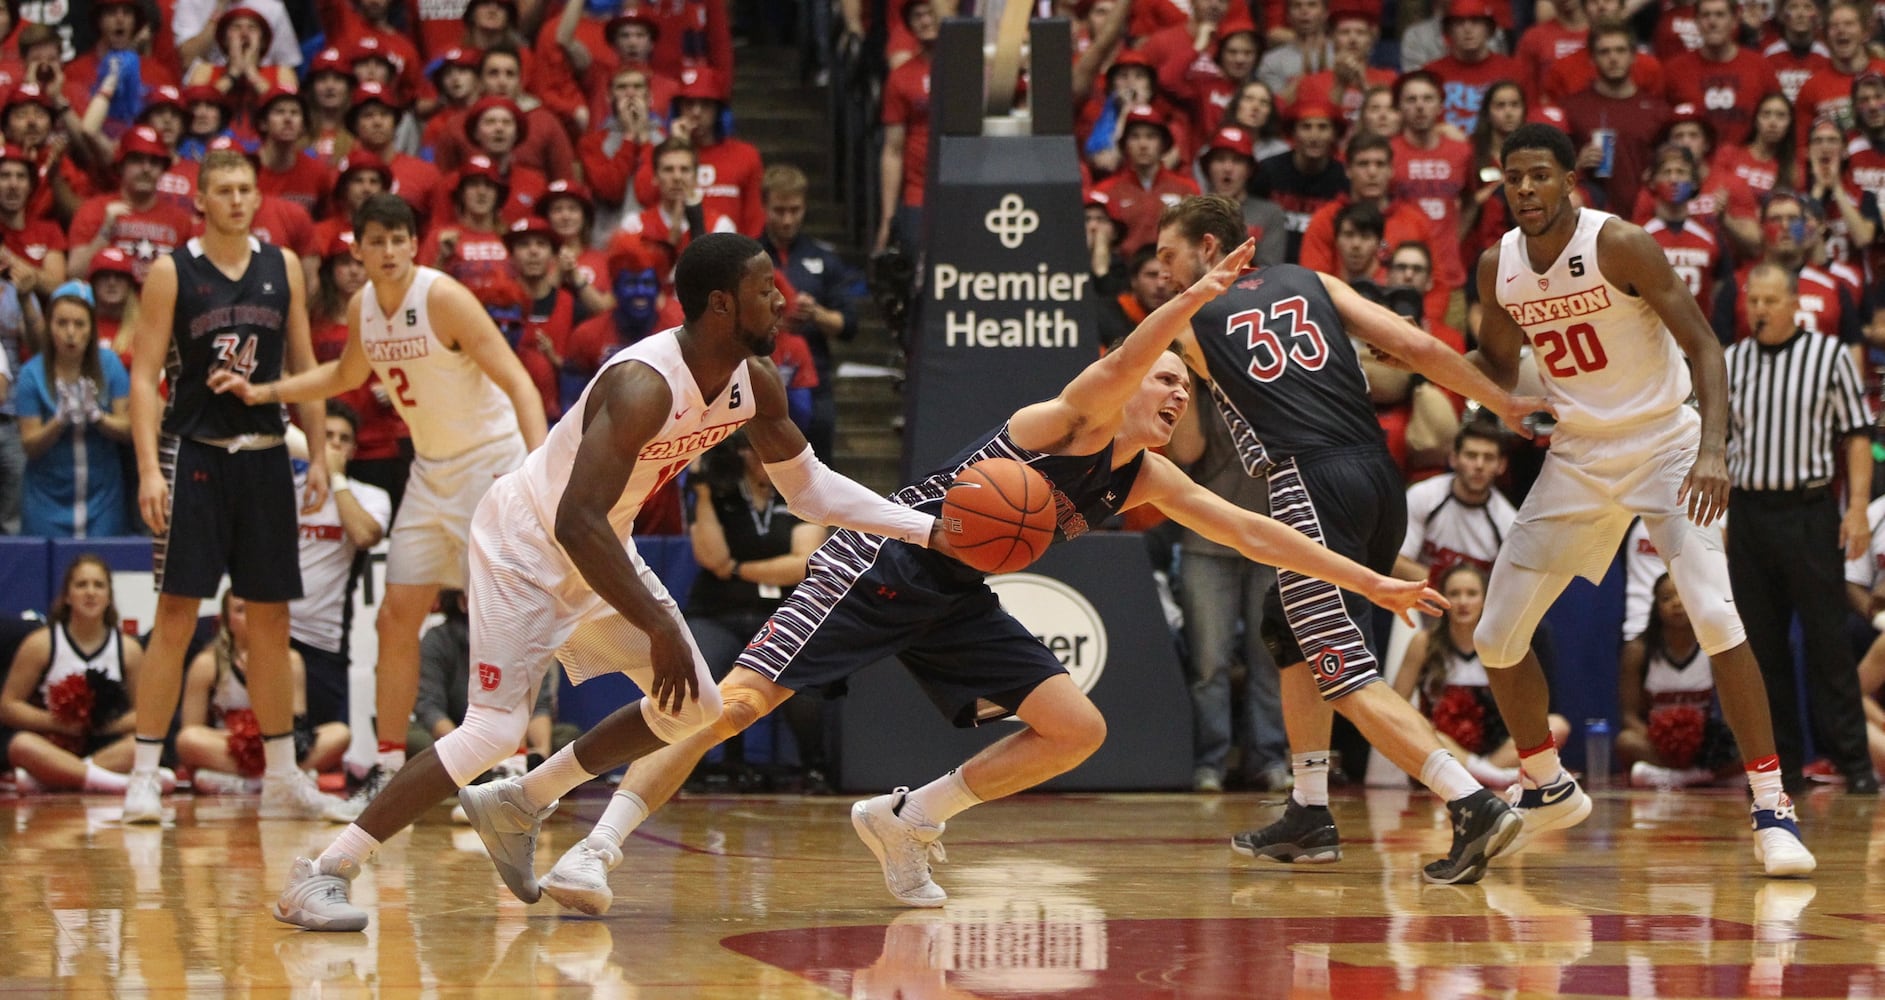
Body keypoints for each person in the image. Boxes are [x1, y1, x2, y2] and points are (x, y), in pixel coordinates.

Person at [532, 236, 1454, 916]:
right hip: (880, 559)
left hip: (954, 595)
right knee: (732, 706)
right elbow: (1131, 357)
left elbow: (1256, 531)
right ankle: (598, 849)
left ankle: (907, 817)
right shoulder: (1063, 417)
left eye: (1187, 389)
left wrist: (1370, 586)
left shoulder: (1145, 475)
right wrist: (1190, 300)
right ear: (1124, 380)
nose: (1177, 395)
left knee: (1074, 728)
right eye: (1166, 382)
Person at [270, 232, 953, 932]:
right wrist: (657, 624)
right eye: (763, 289)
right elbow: (573, 518)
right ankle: (322, 873)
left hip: (600, 543)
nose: (780, 299)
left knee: (693, 707)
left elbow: (807, 489)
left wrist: (924, 528)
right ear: (721, 304)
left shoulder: (753, 382)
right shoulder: (642, 384)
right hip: (525, 542)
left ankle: (523, 799)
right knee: (491, 731)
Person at [1152, 195, 1546, 885]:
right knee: (1287, 630)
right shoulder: (1312, 282)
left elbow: (1183, 415)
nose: (1158, 272)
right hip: (1376, 476)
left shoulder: (1187, 321)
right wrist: (1504, 401)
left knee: (1340, 664)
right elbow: (1415, 346)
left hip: (1306, 485)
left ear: (1210, 249)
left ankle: (1471, 801)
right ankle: (1308, 809)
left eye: (1167, 255)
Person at [1465, 122, 1816, 876]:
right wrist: (1402, 349)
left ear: (1567, 181)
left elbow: (1703, 345)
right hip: (1579, 456)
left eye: (1536, 176)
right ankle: (1545, 782)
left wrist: (1716, 447)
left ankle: (1771, 805)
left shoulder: (1618, 242)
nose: (1523, 190)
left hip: (1666, 444)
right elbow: (1492, 361)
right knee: (1494, 636)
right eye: (1511, 178)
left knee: (1717, 615)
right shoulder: (1497, 266)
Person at [207, 192, 548, 815]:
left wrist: (540, 472)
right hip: (431, 471)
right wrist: (264, 393)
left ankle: (513, 777)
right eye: (376, 241)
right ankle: (389, 767)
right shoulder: (365, 306)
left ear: (413, 244)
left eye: (399, 239)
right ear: (356, 249)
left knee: (498, 620)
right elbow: (343, 376)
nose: (389, 251)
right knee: (395, 616)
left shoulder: (442, 297)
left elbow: (519, 381)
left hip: (493, 465)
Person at [122, 147, 338, 824]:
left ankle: (280, 774)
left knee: (271, 621)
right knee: (177, 616)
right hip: (196, 455)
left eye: (247, 188)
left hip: (269, 456)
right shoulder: (171, 271)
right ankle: (143, 776)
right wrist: (148, 468)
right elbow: (142, 375)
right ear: (202, 201)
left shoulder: (282, 269)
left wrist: (323, 455)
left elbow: (305, 364)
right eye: (225, 190)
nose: (239, 199)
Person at [1725, 263, 1877, 794]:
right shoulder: (1730, 361)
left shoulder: (1829, 356)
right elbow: (1716, 447)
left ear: (1794, 304)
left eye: (1771, 300)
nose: (1760, 310)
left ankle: (1854, 767)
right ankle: (1778, 771)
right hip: (1748, 515)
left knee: (1828, 644)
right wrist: (1720, 518)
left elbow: (1857, 435)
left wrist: (1857, 508)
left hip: (1809, 513)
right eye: (1754, 301)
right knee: (1761, 648)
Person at [681, 431, 827, 788]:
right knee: (699, 670)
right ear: (744, 455)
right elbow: (711, 558)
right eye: (756, 453)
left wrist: (737, 569)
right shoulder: (717, 490)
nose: (764, 462)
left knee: (802, 680)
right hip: (718, 611)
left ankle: (812, 766)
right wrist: (701, 492)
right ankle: (689, 765)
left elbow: (804, 563)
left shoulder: (804, 492)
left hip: (784, 611)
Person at [1394, 563, 1571, 788]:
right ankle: (1490, 777)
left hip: (1499, 752)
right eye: (1454, 594)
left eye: (1471, 594)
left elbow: (1527, 705)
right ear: (1441, 598)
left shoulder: (1502, 643)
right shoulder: (1424, 643)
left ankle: (1483, 775)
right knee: (1418, 728)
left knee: (1557, 724)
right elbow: (1396, 705)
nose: (1463, 602)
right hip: (1442, 753)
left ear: (1486, 600)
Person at [1, 555, 157, 793]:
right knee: (21, 745)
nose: (90, 592)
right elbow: (8, 706)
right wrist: (59, 723)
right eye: (81, 585)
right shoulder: (40, 644)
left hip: (106, 745)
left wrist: (102, 726)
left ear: (109, 597)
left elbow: (147, 713)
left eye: (98, 585)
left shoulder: (129, 650)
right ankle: (111, 782)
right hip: (53, 743)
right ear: (67, 596)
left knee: (141, 746)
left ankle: (52, 778)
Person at [177, 590, 352, 793]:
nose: (251, 617)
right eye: (241, 610)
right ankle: (279, 779)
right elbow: (191, 727)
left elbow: (299, 726)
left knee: (340, 733)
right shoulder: (207, 664)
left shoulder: (290, 659)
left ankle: (249, 781)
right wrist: (242, 737)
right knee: (187, 740)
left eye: (255, 609)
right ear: (226, 620)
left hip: (279, 743)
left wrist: (265, 738)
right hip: (229, 746)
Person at [289, 402, 392, 730]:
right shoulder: (285, 489)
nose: (334, 443)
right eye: (326, 436)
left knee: (325, 738)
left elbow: (364, 535)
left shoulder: (372, 497)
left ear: (352, 449)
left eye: (343, 439)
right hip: (274, 631)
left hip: (324, 638)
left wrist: (334, 476)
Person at [16, 282, 133, 539]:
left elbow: (129, 430)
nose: (71, 333)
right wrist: (59, 420)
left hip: (103, 499)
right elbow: (29, 444)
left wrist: (98, 417)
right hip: (45, 500)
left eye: (79, 324)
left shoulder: (111, 365)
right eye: (62, 323)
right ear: (49, 326)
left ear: (91, 329)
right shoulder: (31, 374)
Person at [1619, 573, 1740, 789]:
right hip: (1657, 745)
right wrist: (1664, 742)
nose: (1676, 603)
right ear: (1656, 606)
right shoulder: (1638, 650)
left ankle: (1673, 778)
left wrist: (1714, 744)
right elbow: (1629, 716)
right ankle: (1703, 776)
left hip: (1703, 745)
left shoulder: (1713, 648)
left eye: (1683, 596)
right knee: (1626, 742)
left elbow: (1732, 708)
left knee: (1746, 744)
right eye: (1666, 598)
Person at [1394, 421, 1518, 587]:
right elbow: (1396, 564)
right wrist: (1452, 588)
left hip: (1473, 610)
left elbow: (1509, 590)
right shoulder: (1423, 496)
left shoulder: (1509, 523)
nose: (1479, 465)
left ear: (1501, 465)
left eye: (1488, 458)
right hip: (1414, 602)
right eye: (1471, 455)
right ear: (1453, 458)